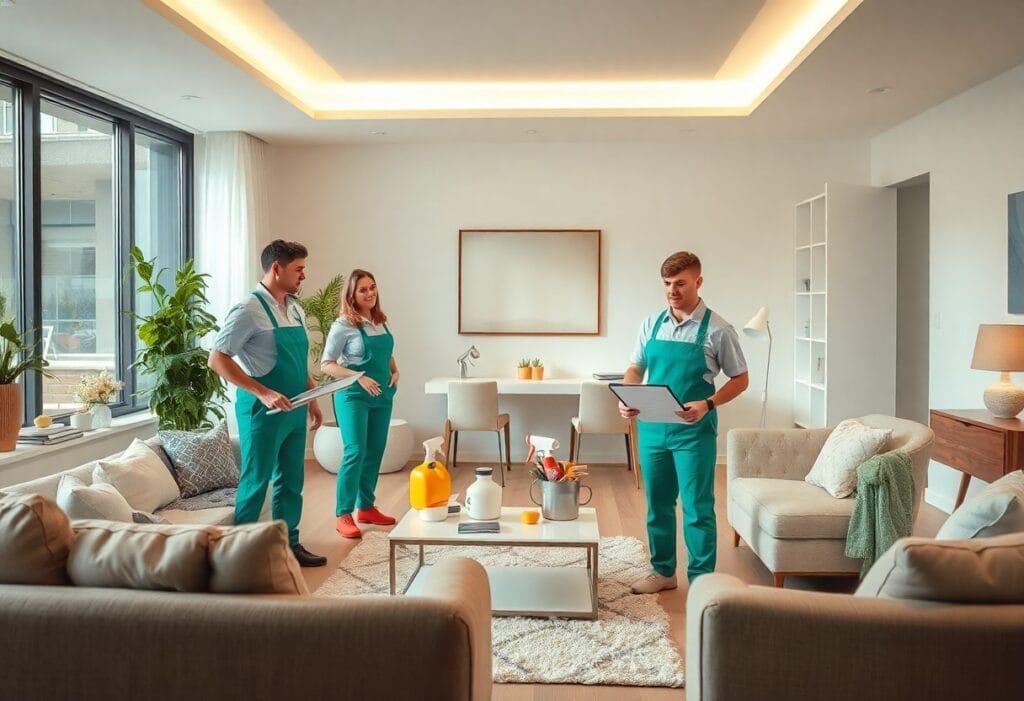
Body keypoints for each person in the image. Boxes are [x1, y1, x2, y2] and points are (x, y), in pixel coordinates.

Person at [619, 251, 749, 593]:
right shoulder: (651, 323)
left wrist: (708, 403)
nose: (672, 291)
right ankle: (663, 572)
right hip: (651, 429)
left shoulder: (719, 330)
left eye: (680, 283)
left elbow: (740, 379)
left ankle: (702, 581)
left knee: (697, 506)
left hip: (694, 432)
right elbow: (634, 368)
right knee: (658, 503)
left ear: (698, 282)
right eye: (666, 284)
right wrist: (629, 396)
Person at [208, 240, 326, 568]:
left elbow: (297, 361)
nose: (304, 275)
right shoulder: (248, 308)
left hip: (295, 406)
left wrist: (311, 396)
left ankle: (288, 546)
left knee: (292, 479)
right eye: (298, 269)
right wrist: (262, 392)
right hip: (262, 411)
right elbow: (217, 359)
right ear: (277, 269)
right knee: (257, 478)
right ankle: (240, 556)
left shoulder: (295, 308)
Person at [320, 269, 400, 539]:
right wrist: (359, 377)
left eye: (373, 287)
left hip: (382, 396)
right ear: (352, 295)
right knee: (355, 451)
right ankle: (343, 514)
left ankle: (365, 507)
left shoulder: (380, 321)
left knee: (375, 451)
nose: (370, 293)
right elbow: (327, 364)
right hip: (352, 396)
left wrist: (395, 371)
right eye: (363, 289)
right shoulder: (344, 325)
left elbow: (386, 354)